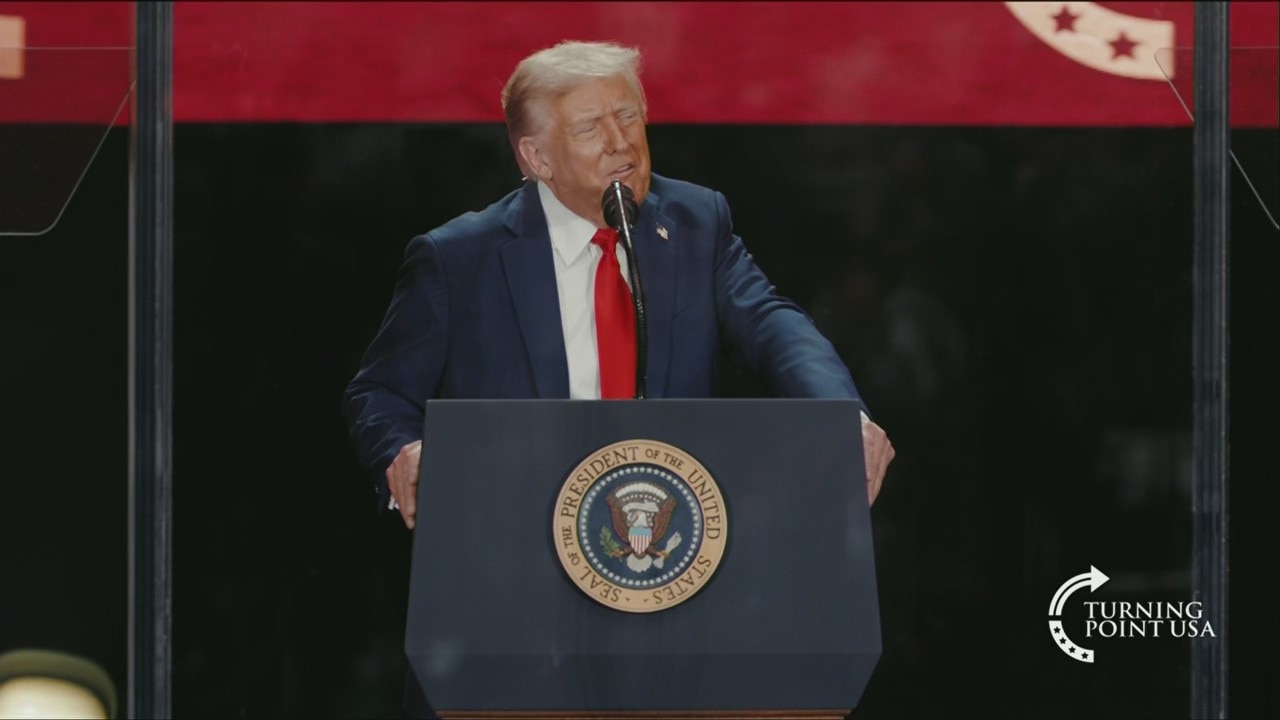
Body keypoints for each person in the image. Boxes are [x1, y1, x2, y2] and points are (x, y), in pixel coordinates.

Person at [342, 40, 894, 529]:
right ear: (537, 158)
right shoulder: (459, 259)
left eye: (628, 117)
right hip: (515, 544)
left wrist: (841, 415)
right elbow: (381, 394)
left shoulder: (696, 223)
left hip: (673, 539)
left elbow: (773, 325)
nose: (620, 143)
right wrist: (406, 453)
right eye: (589, 128)